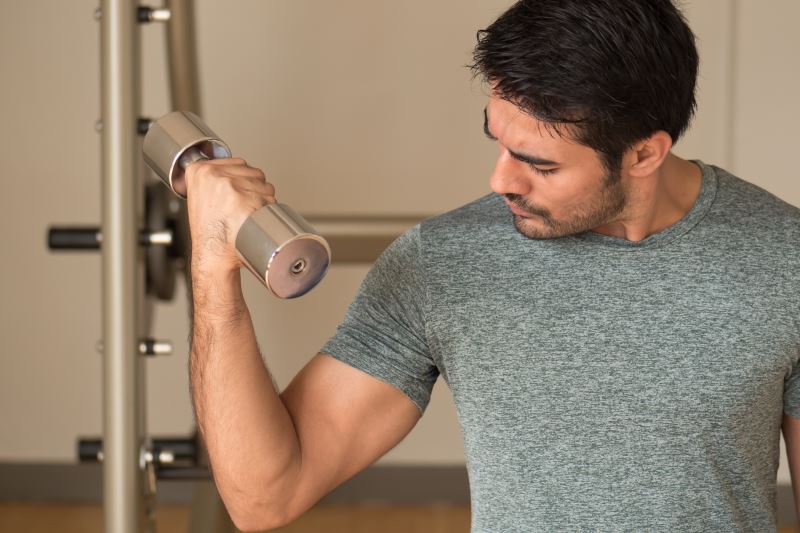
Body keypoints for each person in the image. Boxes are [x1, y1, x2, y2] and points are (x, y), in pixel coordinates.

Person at [183, 0, 800, 531]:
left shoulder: (783, 260)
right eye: (496, 139)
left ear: (645, 154)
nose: (499, 179)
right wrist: (213, 273)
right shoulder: (443, 263)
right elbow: (265, 496)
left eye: (540, 164)